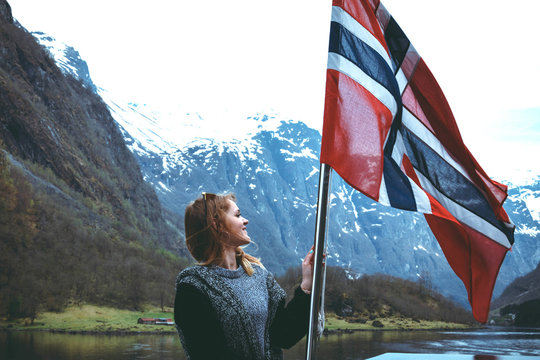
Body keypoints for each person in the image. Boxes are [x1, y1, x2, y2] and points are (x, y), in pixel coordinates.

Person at [174, 192, 315, 360]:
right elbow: (207, 353)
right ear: (217, 225)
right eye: (238, 215)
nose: (245, 220)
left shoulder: (260, 277)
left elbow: (283, 335)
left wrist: (306, 286)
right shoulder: (192, 287)